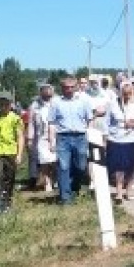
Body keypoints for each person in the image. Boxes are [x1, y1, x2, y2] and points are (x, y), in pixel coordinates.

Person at [49, 77, 94, 205]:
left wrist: (89, 136)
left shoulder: (83, 102)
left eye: (71, 87)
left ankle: (74, 188)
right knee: (63, 167)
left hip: (80, 137)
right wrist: (51, 141)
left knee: (81, 166)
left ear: (76, 87)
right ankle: (65, 198)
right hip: (63, 137)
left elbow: (90, 119)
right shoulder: (56, 102)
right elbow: (51, 122)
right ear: (61, 88)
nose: (68, 90)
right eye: (65, 87)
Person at [106, 81, 134, 203]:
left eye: (129, 93)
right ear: (120, 93)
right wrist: (106, 137)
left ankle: (129, 190)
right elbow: (107, 122)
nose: (127, 96)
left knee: (131, 165)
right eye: (124, 93)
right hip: (117, 138)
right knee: (119, 166)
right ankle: (119, 192)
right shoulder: (113, 104)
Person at [0, 92, 24, 213]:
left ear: (10, 103)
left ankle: (6, 203)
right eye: (1, 102)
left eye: (6, 102)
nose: (4, 105)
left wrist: (19, 154)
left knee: (9, 178)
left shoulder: (15, 118)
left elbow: (20, 137)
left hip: (11, 152)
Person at [27, 83, 57, 192]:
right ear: (40, 92)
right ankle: (47, 182)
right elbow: (31, 123)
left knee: (55, 161)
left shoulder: (57, 103)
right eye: (44, 90)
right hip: (41, 137)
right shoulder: (34, 106)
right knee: (44, 161)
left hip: (56, 136)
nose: (47, 93)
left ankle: (55, 179)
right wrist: (30, 139)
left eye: (49, 90)